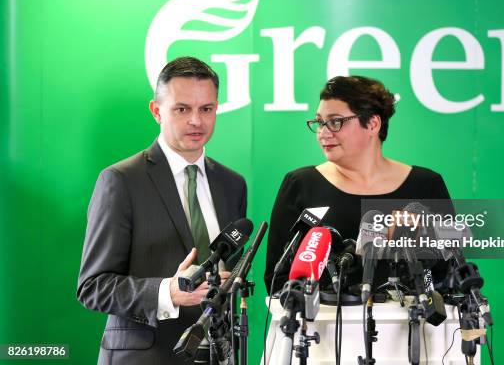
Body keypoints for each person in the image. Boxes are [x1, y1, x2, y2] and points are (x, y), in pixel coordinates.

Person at [77, 57, 247, 364]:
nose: (196, 121)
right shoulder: (121, 181)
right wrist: (169, 292)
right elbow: (93, 286)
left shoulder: (232, 184)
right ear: (157, 111)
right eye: (182, 109)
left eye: (206, 109)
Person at [264, 75, 452, 294]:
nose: (323, 133)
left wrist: (421, 239)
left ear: (372, 124)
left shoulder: (425, 185)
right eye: (319, 122)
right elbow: (277, 279)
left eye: (335, 121)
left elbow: (450, 275)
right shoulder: (300, 184)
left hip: (412, 323)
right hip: (322, 327)